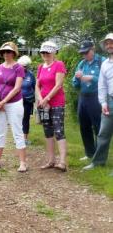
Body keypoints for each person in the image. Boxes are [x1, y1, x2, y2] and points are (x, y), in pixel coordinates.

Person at [0, 42, 27, 172]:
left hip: (14, 104)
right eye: (4, 52)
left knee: (17, 132)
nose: (6, 54)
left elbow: (17, 88)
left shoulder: (18, 68)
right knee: (0, 132)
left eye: (9, 51)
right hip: (0, 104)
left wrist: (3, 101)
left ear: (14, 53)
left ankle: (22, 163)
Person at [36, 41, 68, 172]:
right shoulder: (40, 67)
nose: (45, 54)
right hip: (43, 104)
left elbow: (58, 84)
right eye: (43, 52)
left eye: (47, 52)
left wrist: (47, 98)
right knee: (47, 131)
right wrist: (41, 99)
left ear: (54, 52)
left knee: (59, 130)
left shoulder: (59, 65)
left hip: (56, 103)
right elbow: (37, 85)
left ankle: (62, 162)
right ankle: (51, 160)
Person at [83, 33, 113, 171]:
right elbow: (102, 85)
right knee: (103, 134)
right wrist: (103, 103)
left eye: (111, 42)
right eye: (107, 43)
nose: (109, 45)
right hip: (110, 101)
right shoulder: (105, 64)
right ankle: (98, 162)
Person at [72, 40, 105, 161]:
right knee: (84, 126)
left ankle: (100, 154)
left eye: (86, 52)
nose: (84, 55)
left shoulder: (102, 61)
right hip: (83, 97)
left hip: (96, 97)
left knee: (98, 126)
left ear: (93, 49)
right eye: (83, 53)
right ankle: (89, 152)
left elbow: (107, 79)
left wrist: (92, 78)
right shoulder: (82, 63)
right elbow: (75, 83)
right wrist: (76, 79)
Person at [18, 55, 36, 145]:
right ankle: (18, 137)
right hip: (17, 100)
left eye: (25, 66)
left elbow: (35, 87)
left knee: (26, 118)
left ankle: (25, 138)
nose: (24, 68)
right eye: (22, 66)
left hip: (28, 101)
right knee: (17, 119)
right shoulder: (16, 74)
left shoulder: (31, 75)